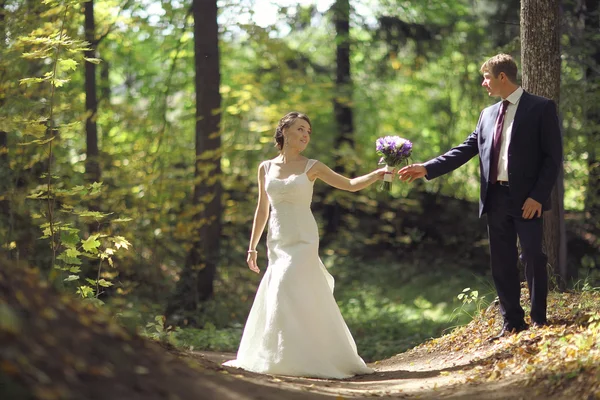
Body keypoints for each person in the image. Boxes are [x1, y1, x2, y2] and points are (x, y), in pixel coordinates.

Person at [398, 54, 562, 340]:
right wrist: (426, 168)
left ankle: (539, 319)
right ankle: (512, 322)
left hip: (527, 199)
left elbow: (552, 158)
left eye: (487, 77)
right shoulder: (487, 114)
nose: (483, 83)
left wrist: (538, 196)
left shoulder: (541, 107)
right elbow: (465, 149)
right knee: (501, 260)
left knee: (533, 255)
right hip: (495, 197)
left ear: (502, 77)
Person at [223, 112, 385, 378]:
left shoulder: (313, 166)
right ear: (284, 131)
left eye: (308, 131)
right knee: (280, 291)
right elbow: (262, 210)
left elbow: (350, 185)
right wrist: (252, 246)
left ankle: (311, 356)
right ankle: (281, 354)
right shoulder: (265, 167)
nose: (305, 135)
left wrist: (378, 175)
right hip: (278, 239)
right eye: (300, 129)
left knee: (286, 283)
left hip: (304, 238)